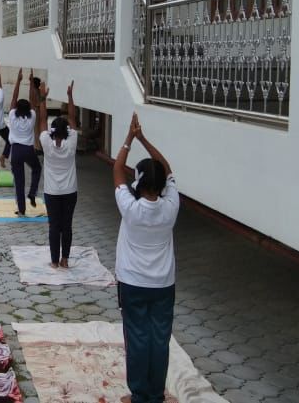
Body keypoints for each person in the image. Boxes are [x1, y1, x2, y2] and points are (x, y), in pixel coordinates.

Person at [113, 113, 178, 403]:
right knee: (159, 339)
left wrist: (130, 138)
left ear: (138, 182)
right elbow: (167, 168)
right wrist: (144, 139)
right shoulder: (171, 205)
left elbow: (117, 169)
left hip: (132, 282)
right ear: (162, 183)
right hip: (163, 284)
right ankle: (155, 394)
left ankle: (139, 395)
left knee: (138, 338)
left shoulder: (130, 207)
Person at [38, 81, 79, 268]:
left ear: (52, 131)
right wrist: (70, 97)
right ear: (67, 131)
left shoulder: (47, 144)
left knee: (54, 226)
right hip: (70, 192)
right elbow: (72, 118)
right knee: (67, 225)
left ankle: (54, 262)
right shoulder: (72, 143)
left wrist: (42, 99)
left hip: (52, 192)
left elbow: (42, 120)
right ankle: (65, 260)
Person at [7, 68, 41, 216]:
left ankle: (21, 209)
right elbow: (32, 100)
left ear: (16, 108)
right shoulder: (32, 116)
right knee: (37, 169)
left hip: (15, 151)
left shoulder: (12, 115)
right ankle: (32, 193)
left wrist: (18, 81)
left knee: (19, 181)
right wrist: (31, 83)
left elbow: (14, 98)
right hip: (28, 150)